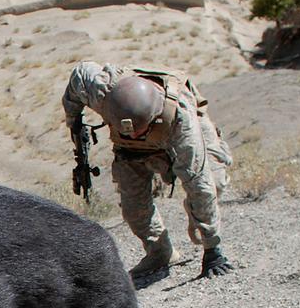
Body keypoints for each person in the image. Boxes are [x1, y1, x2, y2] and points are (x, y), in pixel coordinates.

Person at [63, 62, 234, 281]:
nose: (133, 134)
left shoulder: (181, 122)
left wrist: (213, 250)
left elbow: (198, 183)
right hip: (130, 151)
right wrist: (74, 119)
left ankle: (207, 238)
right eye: (129, 131)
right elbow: (79, 73)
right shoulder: (100, 92)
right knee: (133, 208)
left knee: (213, 182)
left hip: (175, 132)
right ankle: (160, 252)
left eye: (138, 131)